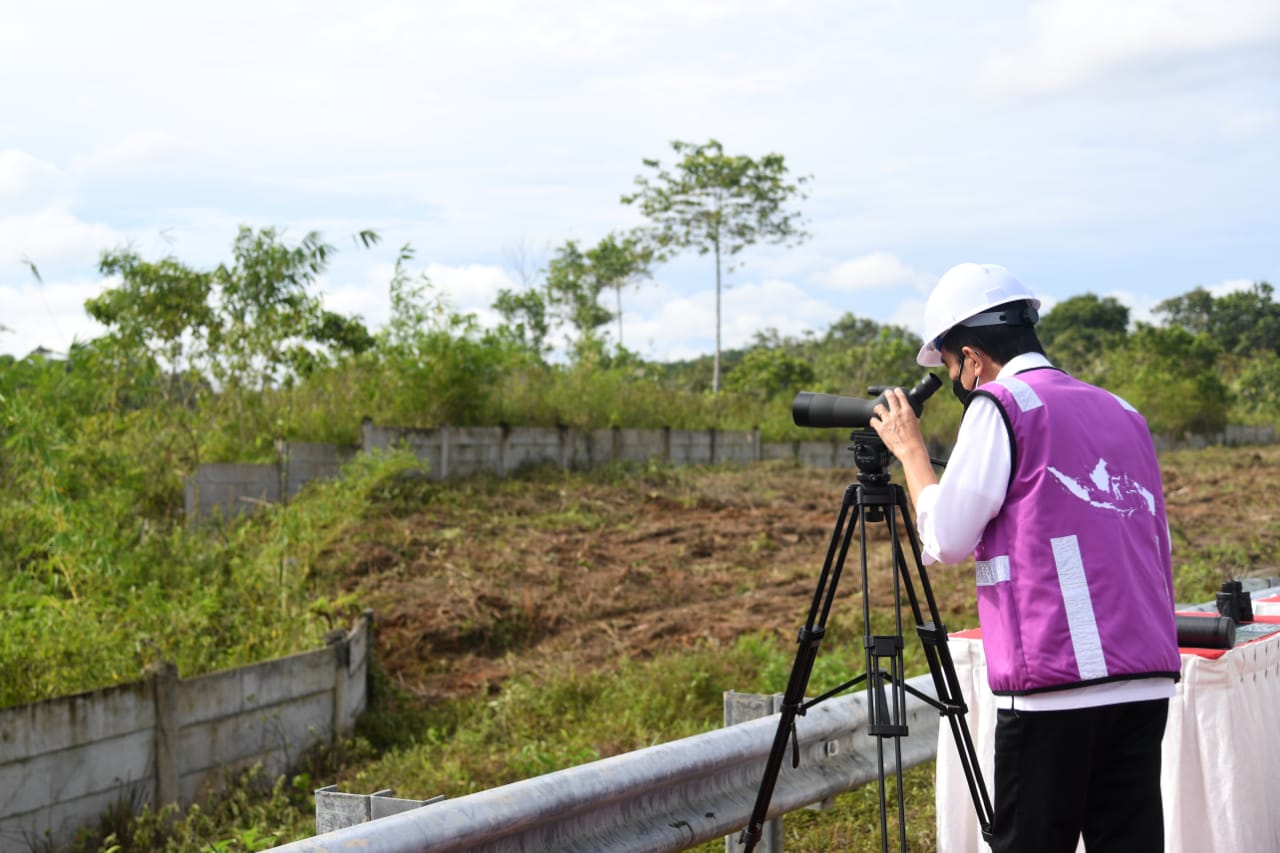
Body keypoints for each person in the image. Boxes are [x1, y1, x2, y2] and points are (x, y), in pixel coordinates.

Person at [868, 262, 1181, 853]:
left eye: (954, 370)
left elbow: (947, 539)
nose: (959, 383)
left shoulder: (1001, 406)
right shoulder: (1122, 410)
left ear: (971, 357)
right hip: (1143, 678)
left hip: (1052, 683)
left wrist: (911, 454)